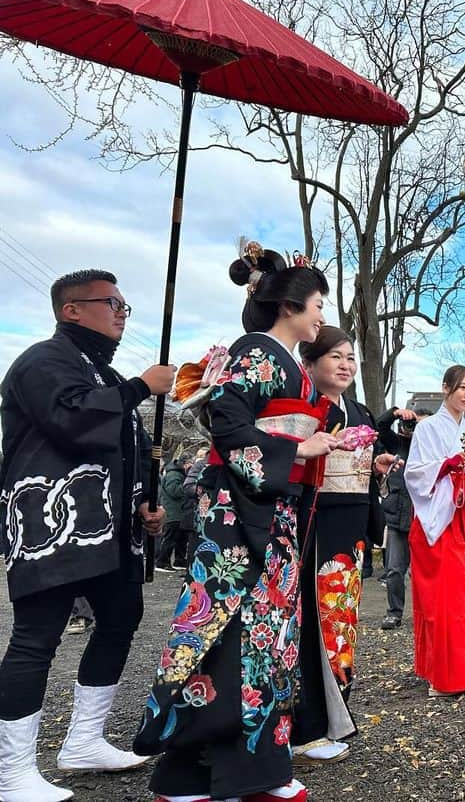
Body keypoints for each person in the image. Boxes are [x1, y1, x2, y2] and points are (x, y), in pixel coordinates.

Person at [133, 245, 340, 802]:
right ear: (291, 305)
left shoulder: (286, 361)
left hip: (265, 506)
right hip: (240, 512)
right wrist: (297, 449)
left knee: (254, 637)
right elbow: (225, 416)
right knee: (237, 633)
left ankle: (195, 776)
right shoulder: (259, 354)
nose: (322, 313)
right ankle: (237, 774)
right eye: (318, 302)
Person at [0, 269, 173, 801]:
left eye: (125, 304)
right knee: (37, 636)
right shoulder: (42, 361)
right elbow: (72, 420)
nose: (121, 311)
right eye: (111, 302)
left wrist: (145, 498)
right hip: (51, 522)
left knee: (122, 618)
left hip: (109, 529)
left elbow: (127, 445)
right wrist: (142, 386)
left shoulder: (99, 371)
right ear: (71, 309)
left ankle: (84, 740)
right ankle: (11, 772)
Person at [290, 326, 398, 765]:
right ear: (310, 363)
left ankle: (335, 717)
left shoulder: (360, 411)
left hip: (350, 521)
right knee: (311, 619)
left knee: (341, 623)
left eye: (350, 357)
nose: (346, 365)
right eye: (335, 356)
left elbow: (360, 465)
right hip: (313, 520)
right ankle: (305, 726)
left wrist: (375, 466)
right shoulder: (301, 408)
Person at [404, 365, 465, 698]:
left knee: (464, 599)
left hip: (464, 519)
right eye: (462, 387)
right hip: (438, 522)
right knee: (441, 600)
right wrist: (446, 466)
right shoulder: (427, 429)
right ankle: (441, 677)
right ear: (446, 388)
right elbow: (416, 474)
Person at [376, 406, 431, 631]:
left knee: (425, 571)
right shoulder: (397, 444)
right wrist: (396, 413)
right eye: (415, 424)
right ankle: (394, 613)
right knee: (394, 569)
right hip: (398, 517)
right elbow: (379, 426)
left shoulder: (433, 449)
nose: (417, 429)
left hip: (425, 519)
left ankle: (427, 613)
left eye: (423, 426)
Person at [156, 452, 194, 572]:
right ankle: (162, 561)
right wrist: (187, 486)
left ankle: (179, 560)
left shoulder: (177, 473)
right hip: (173, 511)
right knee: (170, 538)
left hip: (179, 511)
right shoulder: (173, 475)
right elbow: (174, 491)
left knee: (181, 538)